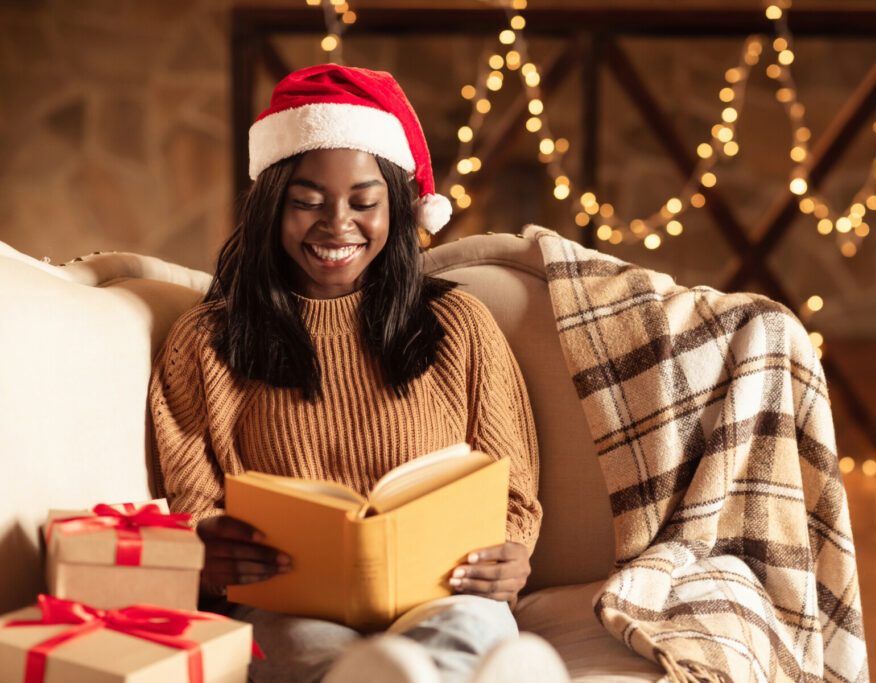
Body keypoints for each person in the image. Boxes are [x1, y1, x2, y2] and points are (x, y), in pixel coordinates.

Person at [149, 64, 568, 683]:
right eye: (307, 202)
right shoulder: (206, 342)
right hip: (290, 605)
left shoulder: (460, 325)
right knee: (299, 646)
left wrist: (508, 559)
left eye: (364, 203)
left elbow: (513, 493)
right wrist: (206, 548)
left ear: (397, 209)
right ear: (271, 208)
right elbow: (193, 505)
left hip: (444, 596)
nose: (337, 224)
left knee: (471, 631)